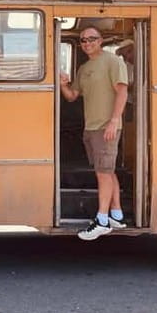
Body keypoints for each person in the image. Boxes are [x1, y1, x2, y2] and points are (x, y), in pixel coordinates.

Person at [59, 26, 129, 240]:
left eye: (92, 39)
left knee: (103, 173)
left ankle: (102, 220)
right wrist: (63, 84)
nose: (87, 43)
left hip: (106, 127)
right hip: (91, 127)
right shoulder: (84, 68)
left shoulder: (113, 61)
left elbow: (122, 91)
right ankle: (116, 215)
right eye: (83, 40)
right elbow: (72, 96)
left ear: (101, 41)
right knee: (107, 171)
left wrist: (114, 121)